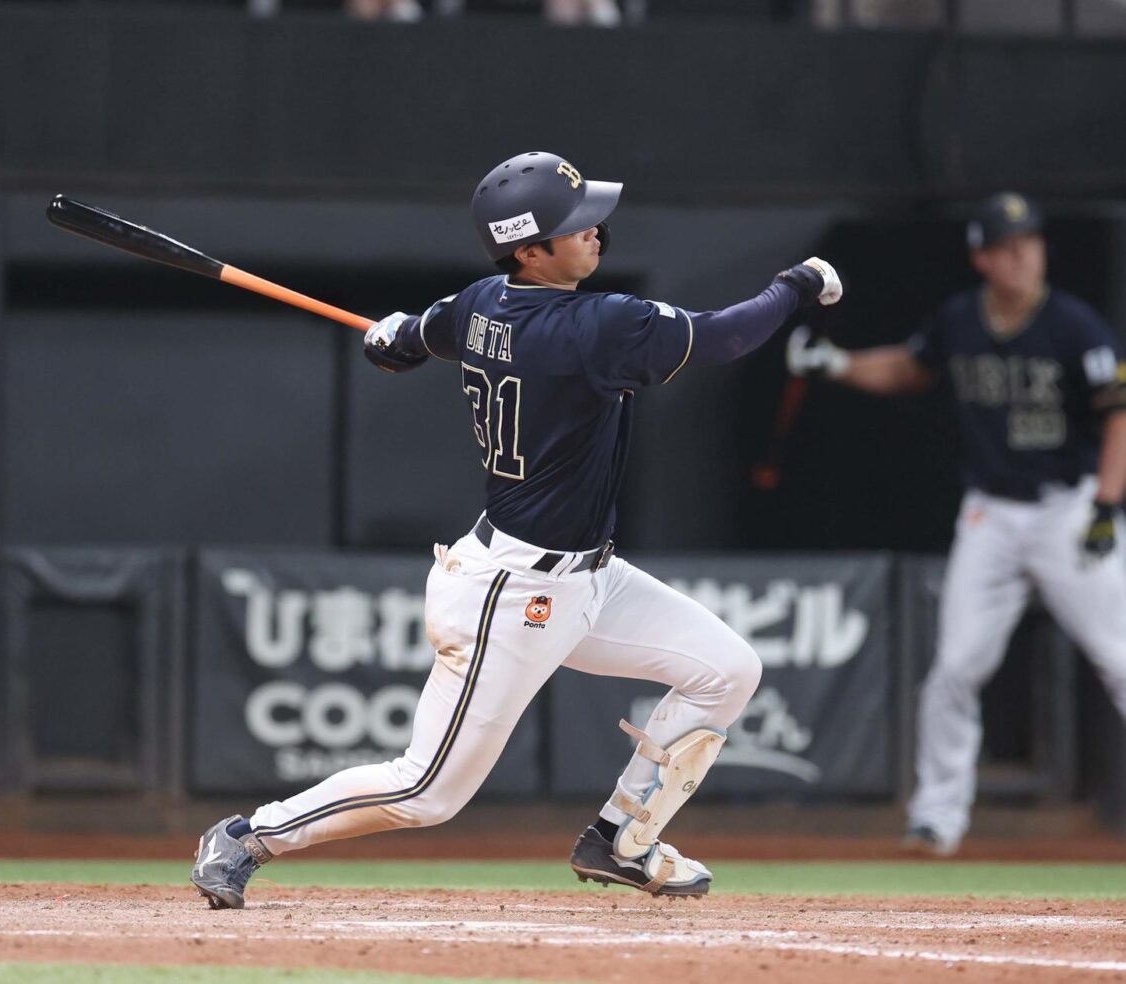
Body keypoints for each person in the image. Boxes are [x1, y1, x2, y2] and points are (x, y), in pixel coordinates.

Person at [190, 151, 842, 908]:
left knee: (727, 670)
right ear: (529, 251)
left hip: (590, 577)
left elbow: (417, 338)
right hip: (512, 591)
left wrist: (395, 338)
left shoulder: (481, 303)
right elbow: (725, 337)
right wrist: (797, 283)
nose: (595, 231)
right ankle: (248, 835)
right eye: (576, 224)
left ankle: (621, 840)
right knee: (427, 791)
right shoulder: (595, 324)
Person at [786, 192, 1126, 856]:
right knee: (954, 669)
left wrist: (1108, 505)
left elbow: (1118, 414)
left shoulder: (1074, 325)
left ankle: (937, 814)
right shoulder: (961, 320)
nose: (1023, 255)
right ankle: (936, 817)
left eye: (1030, 242)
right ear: (982, 258)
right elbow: (909, 368)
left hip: (1069, 508)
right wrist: (837, 363)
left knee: (1120, 659)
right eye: (1008, 246)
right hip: (992, 514)